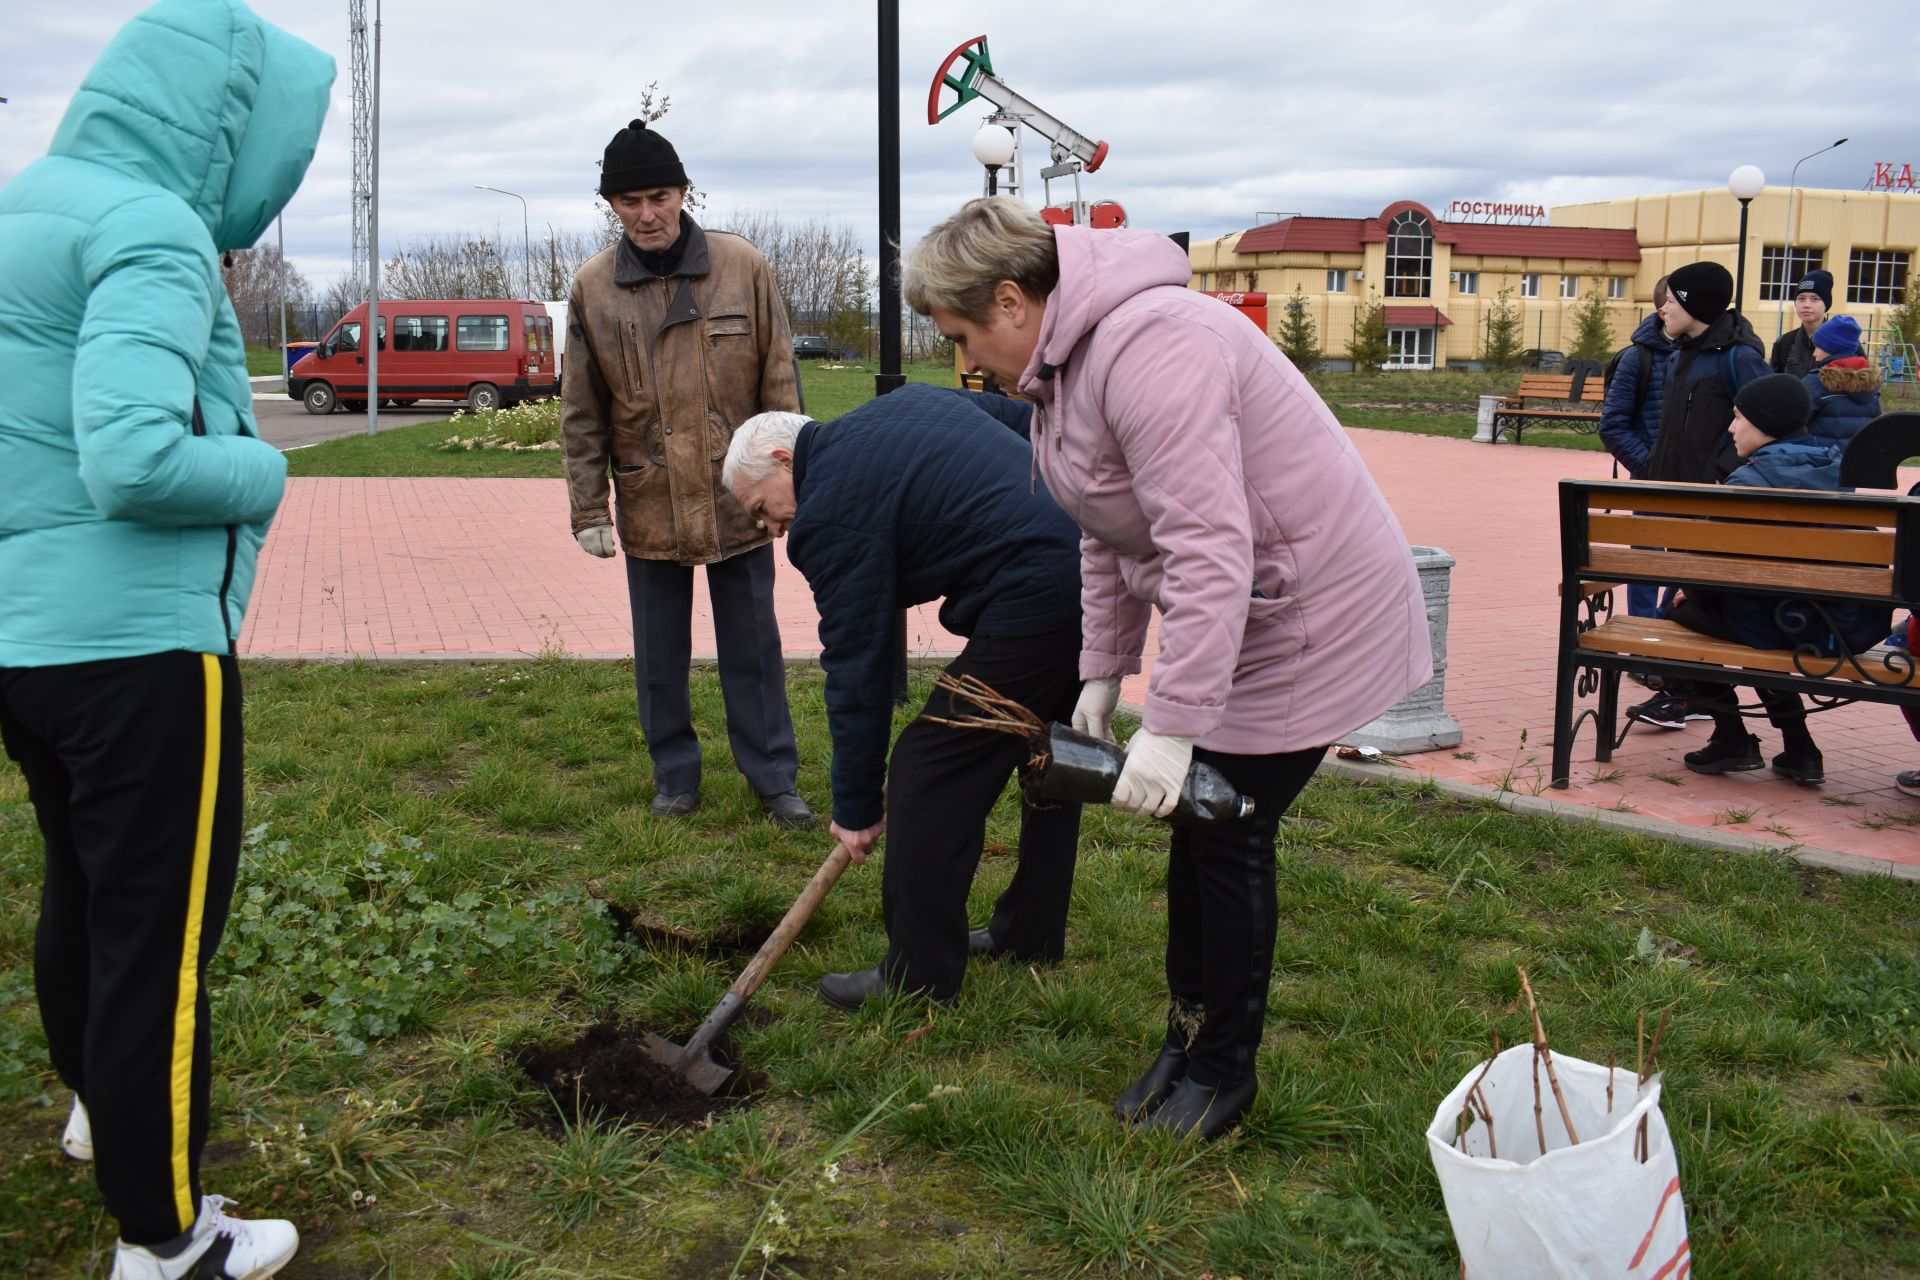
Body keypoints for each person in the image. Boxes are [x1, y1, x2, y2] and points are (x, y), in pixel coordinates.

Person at [903, 197, 1431, 1139]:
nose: (965, 359)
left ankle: (1224, 1069)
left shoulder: (1152, 346)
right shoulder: (1063, 370)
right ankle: (1187, 1039)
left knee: (1228, 829)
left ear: (1015, 300)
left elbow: (1209, 549)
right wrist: (1103, 671)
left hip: (1309, 606)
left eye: (963, 334)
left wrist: (1176, 725)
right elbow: (1107, 529)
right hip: (1247, 603)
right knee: (1201, 829)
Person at [0, 2, 332, 1276]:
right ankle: (168, 1233)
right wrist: (260, 468)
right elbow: (135, 461)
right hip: (138, 650)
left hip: (30, 650)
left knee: (79, 894)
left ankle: (100, 1106)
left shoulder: (31, 205)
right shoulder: (148, 226)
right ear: (222, 129)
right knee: (163, 937)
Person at [721, 386, 1086, 1008]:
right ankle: (1029, 931)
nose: (770, 529)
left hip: (1035, 595)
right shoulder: (906, 404)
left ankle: (918, 978)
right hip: (1087, 568)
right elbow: (1028, 421)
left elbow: (857, 666)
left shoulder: (829, 513)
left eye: (761, 507)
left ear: (785, 458)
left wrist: (857, 805)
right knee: (1050, 760)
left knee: (927, 769)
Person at [561, 119, 812, 828]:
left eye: (660, 196)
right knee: (659, 655)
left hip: (741, 498)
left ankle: (774, 777)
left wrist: (793, 484)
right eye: (631, 200)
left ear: (683, 193)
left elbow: (780, 386)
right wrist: (587, 508)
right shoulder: (593, 288)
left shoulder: (743, 267)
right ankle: (674, 775)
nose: (648, 213)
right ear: (612, 206)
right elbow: (581, 409)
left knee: (754, 647)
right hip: (651, 500)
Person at [1661, 375, 1889, 785]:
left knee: (1679, 616)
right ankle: (1800, 750)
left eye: (1737, 417)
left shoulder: (1749, 482)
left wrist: (1687, 591)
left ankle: (1732, 738)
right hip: (1836, 626)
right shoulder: (1836, 469)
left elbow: (1704, 565)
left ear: (1764, 422)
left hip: (1782, 623)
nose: (1731, 428)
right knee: (1757, 616)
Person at [1629, 260, 1771, 731]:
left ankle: (1686, 698)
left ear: (1693, 305)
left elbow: (1767, 431)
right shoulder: (1682, 353)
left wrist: (1722, 479)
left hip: (1713, 503)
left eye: (1672, 299)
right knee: (1691, 604)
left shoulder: (1739, 357)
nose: (1663, 307)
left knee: (1690, 604)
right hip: (1675, 496)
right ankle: (1711, 715)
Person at [1597, 276, 1673, 618]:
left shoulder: (1711, 355)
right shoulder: (1637, 358)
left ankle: (1675, 631)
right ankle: (1645, 635)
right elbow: (1613, 425)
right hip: (1650, 476)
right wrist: (1647, 466)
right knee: (1647, 558)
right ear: (1662, 309)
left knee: (1693, 561)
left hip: (1700, 477)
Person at [1799, 314, 1884, 445]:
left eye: (1818, 347)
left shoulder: (1815, 382)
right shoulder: (1872, 383)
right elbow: (1877, 426)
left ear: (1830, 348)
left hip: (1823, 461)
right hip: (1860, 459)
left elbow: (1793, 422)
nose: (1814, 353)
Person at [1769, 268, 1833, 378]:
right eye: (1801, 299)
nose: (1806, 305)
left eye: (1815, 299)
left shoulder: (1841, 342)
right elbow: (1773, 384)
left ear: (1826, 304)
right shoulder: (1784, 343)